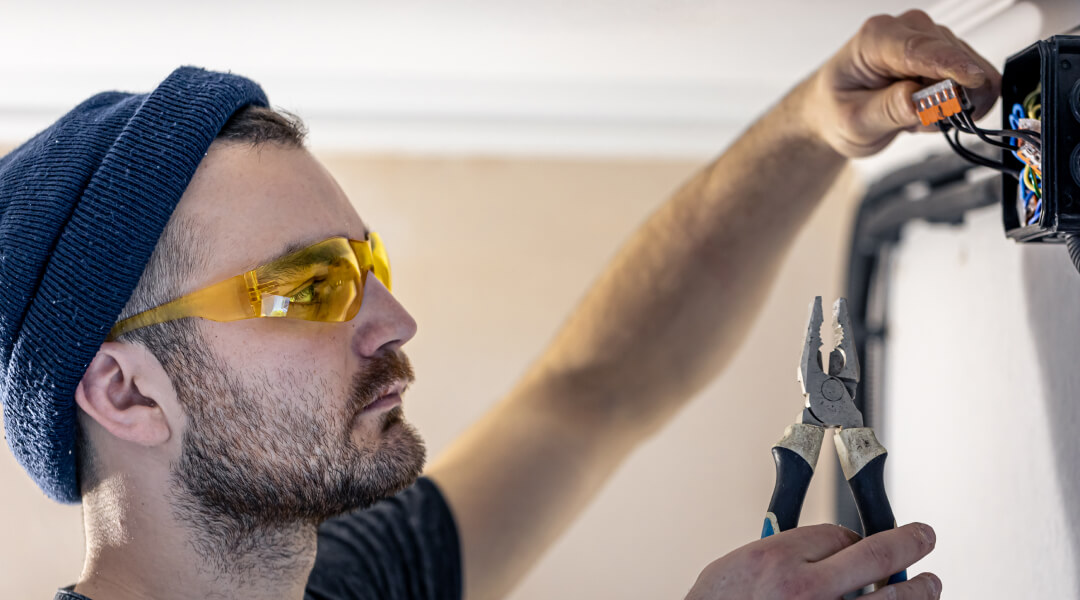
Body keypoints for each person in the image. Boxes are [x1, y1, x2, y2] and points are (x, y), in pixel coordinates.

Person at [0, 9, 995, 600]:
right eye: (309, 287)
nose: (392, 320)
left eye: (368, 263)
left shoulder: (362, 580)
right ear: (127, 394)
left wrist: (813, 123)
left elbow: (595, 388)